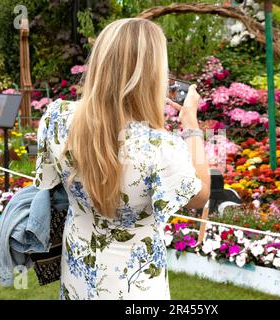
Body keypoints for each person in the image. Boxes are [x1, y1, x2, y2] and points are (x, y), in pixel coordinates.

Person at [34, 18, 210, 300]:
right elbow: (200, 196)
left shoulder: (56, 118)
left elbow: (49, 180)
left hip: (78, 269)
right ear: (152, 74)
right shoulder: (159, 147)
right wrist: (191, 124)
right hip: (135, 287)